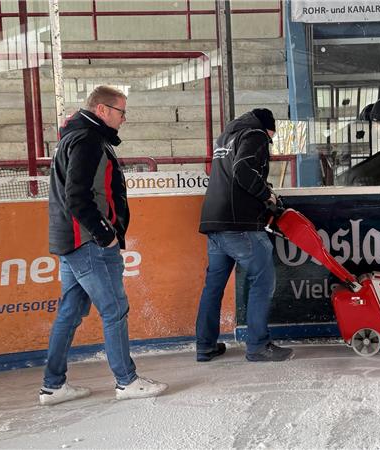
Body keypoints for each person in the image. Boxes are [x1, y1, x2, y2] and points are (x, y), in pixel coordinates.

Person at [41, 85, 168, 406]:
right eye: (121, 112)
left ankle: (52, 385)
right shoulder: (88, 141)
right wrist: (104, 234)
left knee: (70, 311)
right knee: (114, 309)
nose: (124, 118)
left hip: (71, 241)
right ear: (102, 110)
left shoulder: (75, 137)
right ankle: (126, 380)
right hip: (87, 243)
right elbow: (77, 196)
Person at [196, 108, 294, 363]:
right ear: (267, 128)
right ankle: (258, 346)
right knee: (262, 280)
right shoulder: (255, 135)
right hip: (240, 223)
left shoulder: (225, 137)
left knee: (213, 287)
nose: (269, 142)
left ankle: (205, 346)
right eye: (271, 136)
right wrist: (266, 194)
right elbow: (243, 170)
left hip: (214, 222)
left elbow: (232, 172)